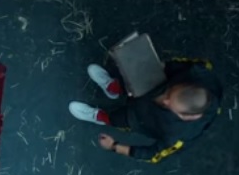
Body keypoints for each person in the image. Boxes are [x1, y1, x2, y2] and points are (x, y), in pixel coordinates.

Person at [67, 58, 222, 163]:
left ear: (187, 117)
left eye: (169, 106)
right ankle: (113, 89)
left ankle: (101, 117)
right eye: (169, 93)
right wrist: (157, 65)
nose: (163, 100)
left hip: (140, 119)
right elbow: (179, 63)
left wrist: (114, 146)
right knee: (129, 84)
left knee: (117, 119)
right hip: (149, 85)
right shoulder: (199, 72)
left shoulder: (178, 136)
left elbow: (152, 155)